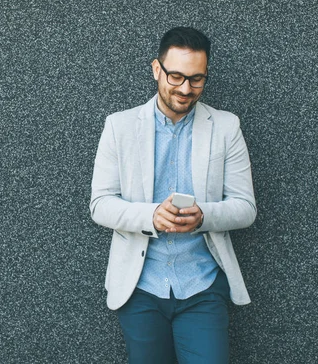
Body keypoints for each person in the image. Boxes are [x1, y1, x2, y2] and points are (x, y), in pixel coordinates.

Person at [89, 27, 256, 364]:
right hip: (140, 288)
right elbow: (100, 204)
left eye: (196, 79)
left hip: (202, 288)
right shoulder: (119, 127)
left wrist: (204, 216)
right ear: (156, 69)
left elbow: (245, 207)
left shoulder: (226, 127)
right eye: (176, 76)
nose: (185, 88)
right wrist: (151, 216)